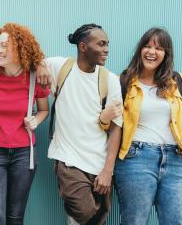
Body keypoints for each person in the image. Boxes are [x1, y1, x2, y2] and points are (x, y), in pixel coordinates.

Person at [114, 28, 182, 225]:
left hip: (176, 162)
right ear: (140, 49)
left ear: (166, 54)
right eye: (147, 46)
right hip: (136, 159)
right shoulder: (126, 81)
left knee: (178, 222)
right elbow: (112, 124)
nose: (152, 52)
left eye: (159, 48)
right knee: (134, 222)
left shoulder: (178, 81)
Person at [42, 23, 123, 225]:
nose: (106, 49)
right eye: (101, 44)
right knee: (85, 213)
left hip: (98, 164)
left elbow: (116, 128)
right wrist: (38, 65)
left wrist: (108, 171)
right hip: (68, 160)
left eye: (107, 44)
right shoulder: (60, 67)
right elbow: (30, 59)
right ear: (83, 46)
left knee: (91, 219)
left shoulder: (110, 80)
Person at [0, 23, 50, 225]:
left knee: (15, 218)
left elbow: (44, 109)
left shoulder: (35, 77)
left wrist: (35, 120)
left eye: (4, 46)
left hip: (25, 154)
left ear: (20, 47)